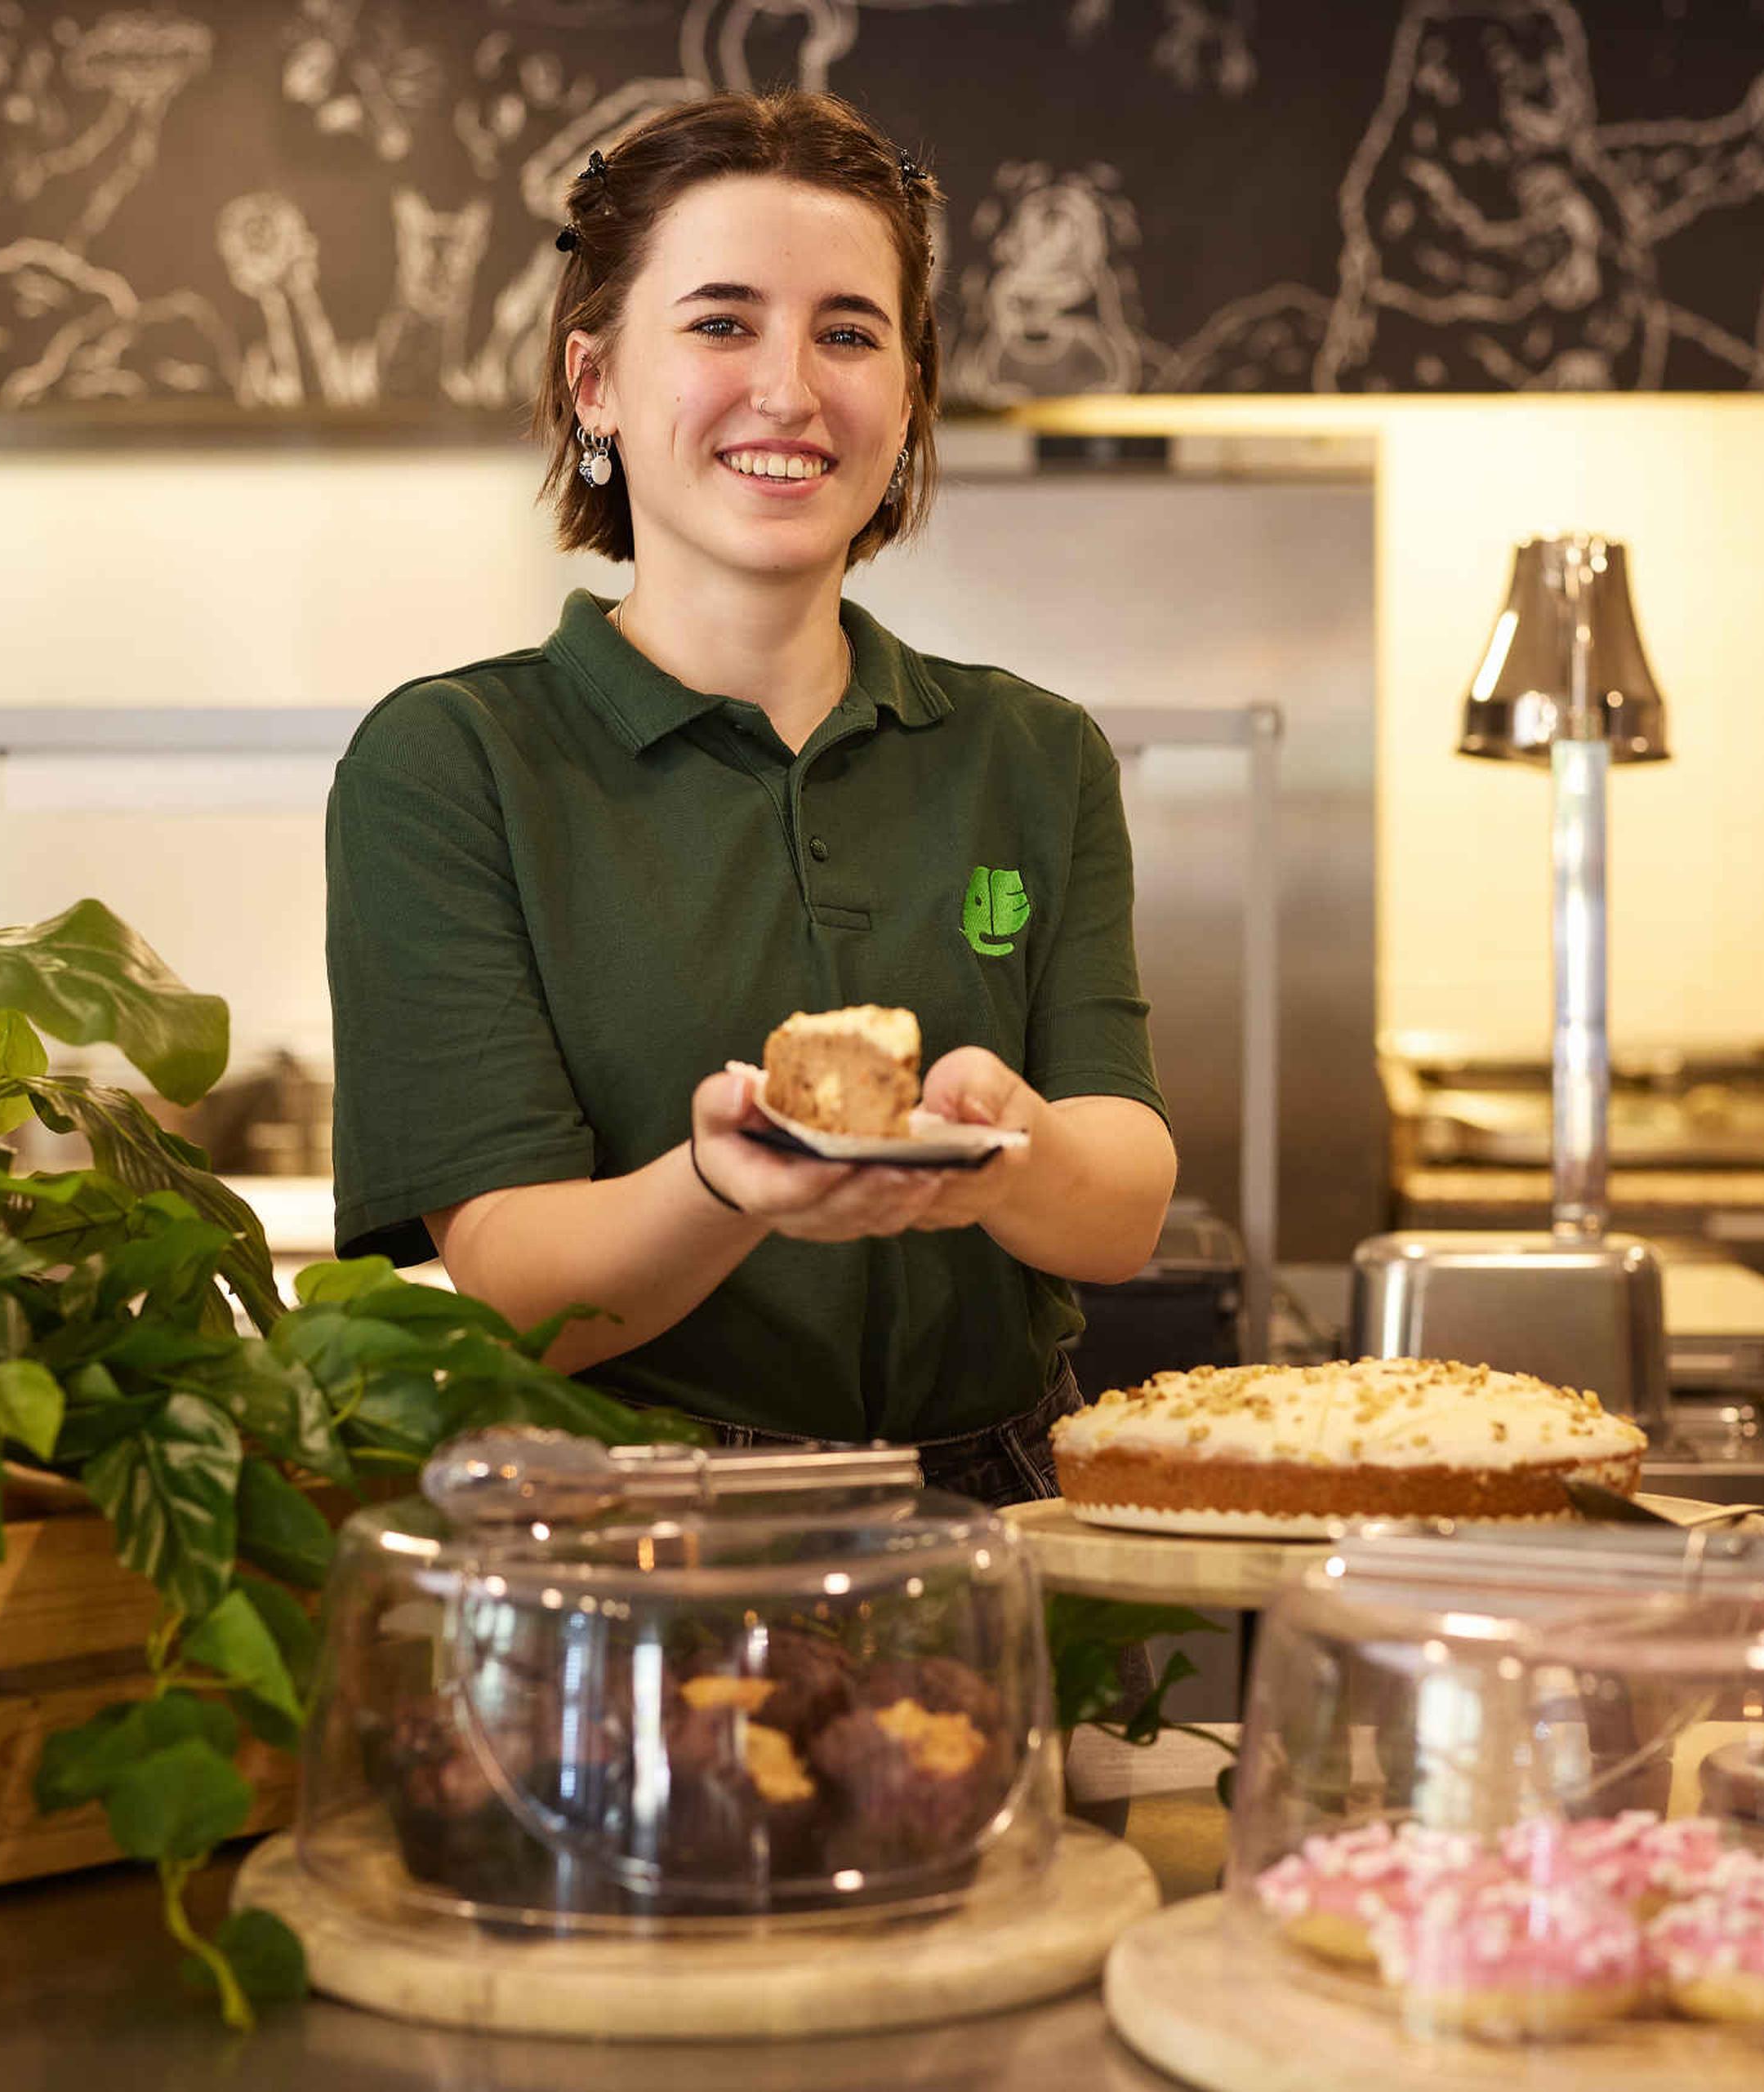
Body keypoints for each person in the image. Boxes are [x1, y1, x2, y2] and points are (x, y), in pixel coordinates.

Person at [324, 89, 1176, 1502]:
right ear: (594, 380)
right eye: (722, 324)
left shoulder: (1034, 752)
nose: (789, 390)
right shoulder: (452, 764)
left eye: (849, 333)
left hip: (1007, 1513)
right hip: (631, 1522)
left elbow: (1123, 1204)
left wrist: (1004, 1154)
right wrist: (729, 1181)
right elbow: (520, 1283)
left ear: (909, 393)